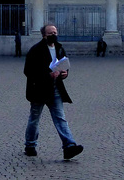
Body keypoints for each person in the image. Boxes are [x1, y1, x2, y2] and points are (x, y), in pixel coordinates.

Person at [23, 23, 83, 160]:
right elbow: (28, 71)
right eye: (50, 33)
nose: (53, 35)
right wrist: (47, 75)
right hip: (39, 90)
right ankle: (30, 145)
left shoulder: (60, 48)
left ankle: (69, 146)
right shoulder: (35, 50)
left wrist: (64, 73)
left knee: (61, 119)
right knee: (34, 119)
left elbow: (64, 65)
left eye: (55, 32)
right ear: (44, 35)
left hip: (55, 89)